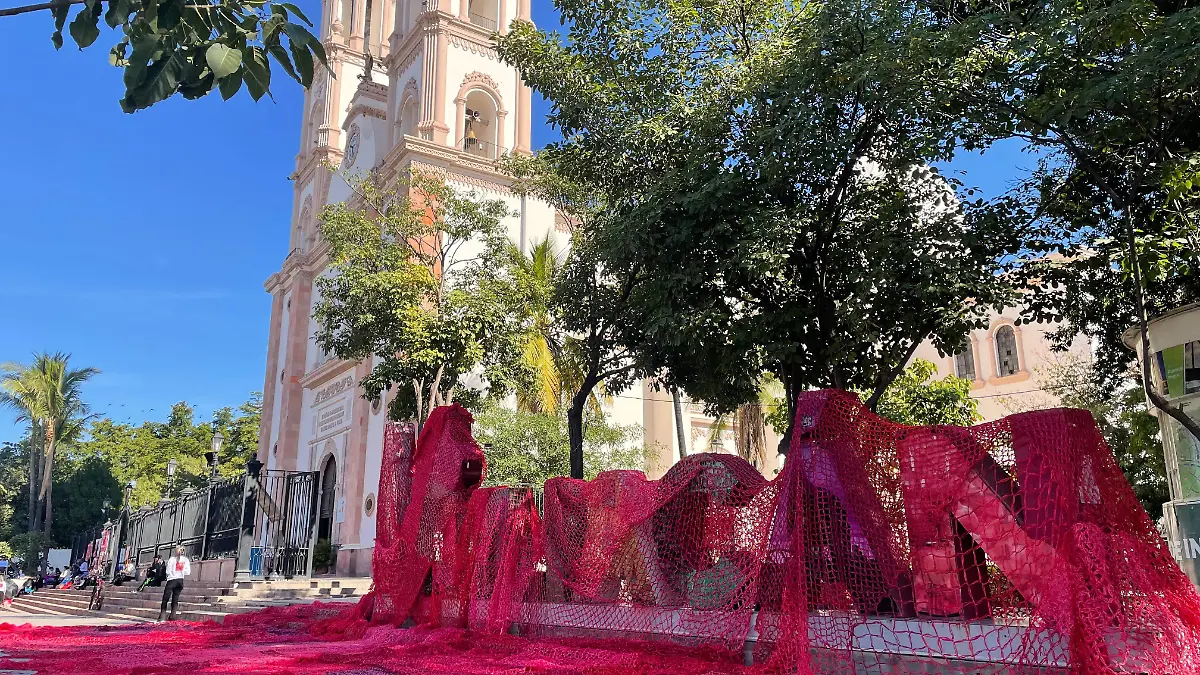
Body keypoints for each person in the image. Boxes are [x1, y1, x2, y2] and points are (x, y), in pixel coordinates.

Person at [159, 546, 190, 622]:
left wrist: (173, 573)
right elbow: (188, 572)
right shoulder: (186, 560)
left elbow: (167, 571)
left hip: (172, 580)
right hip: (180, 580)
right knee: (175, 599)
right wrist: (181, 571)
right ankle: (172, 616)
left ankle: (162, 616)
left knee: (165, 598)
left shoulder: (172, 559)